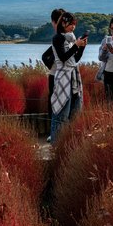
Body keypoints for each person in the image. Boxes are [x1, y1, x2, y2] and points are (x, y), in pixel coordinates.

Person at [50, 12, 87, 141]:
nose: (73, 27)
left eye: (74, 25)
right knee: (60, 115)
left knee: (73, 114)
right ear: (64, 23)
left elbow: (74, 59)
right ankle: (55, 145)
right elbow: (63, 58)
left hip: (73, 77)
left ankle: (67, 144)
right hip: (63, 77)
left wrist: (81, 47)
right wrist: (76, 45)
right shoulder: (58, 38)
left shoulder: (71, 38)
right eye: (71, 24)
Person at [46, 8, 65, 143]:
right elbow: (45, 56)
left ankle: (57, 133)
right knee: (53, 103)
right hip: (55, 74)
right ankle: (54, 133)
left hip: (60, 74)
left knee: (60, 104)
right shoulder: (57, 38)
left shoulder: (63, 37)